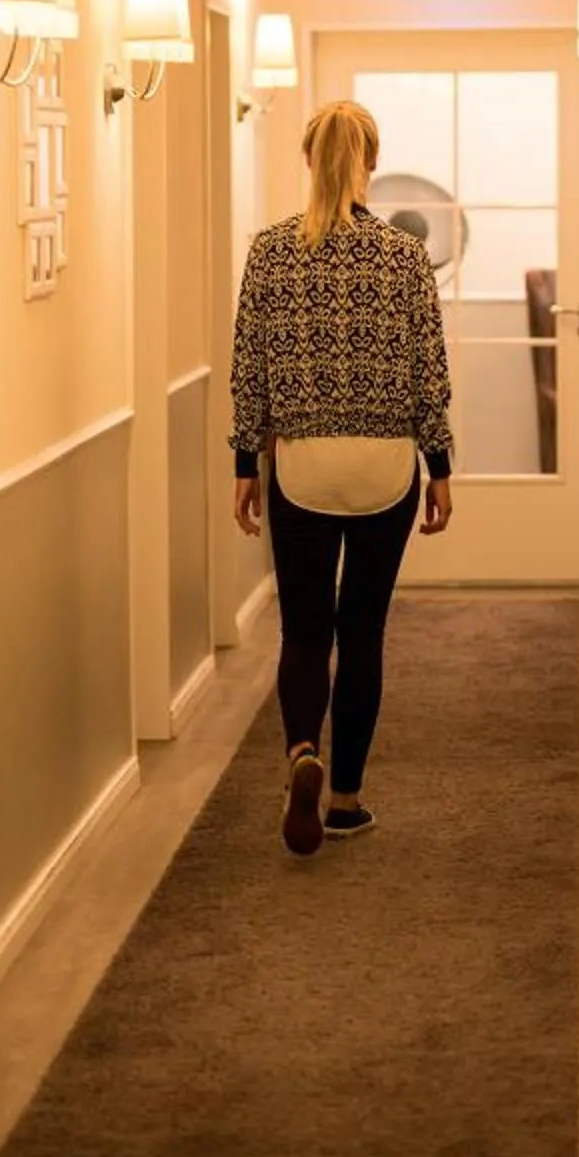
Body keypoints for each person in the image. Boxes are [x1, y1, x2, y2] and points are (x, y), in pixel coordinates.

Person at [228, 99, 455, 857]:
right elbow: (429, 371)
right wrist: (440, 467)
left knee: (303, 629)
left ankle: (302, 751)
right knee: (362, 631)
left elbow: (249, 368)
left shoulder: (270, 254)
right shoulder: (405, 256)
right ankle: (347, 800)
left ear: (306, 160)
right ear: (372, 162)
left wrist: (244, 463)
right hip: (385, 467)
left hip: (302, 467)